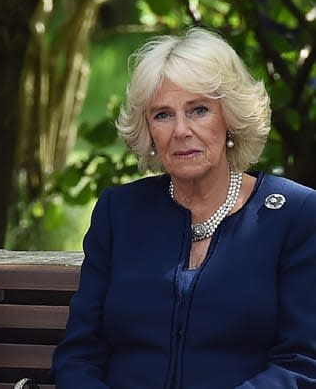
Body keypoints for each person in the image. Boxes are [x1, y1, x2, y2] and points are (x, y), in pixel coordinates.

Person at [51, 27, 316, 388]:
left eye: (199, 110)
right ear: (148, 130)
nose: (180, 130)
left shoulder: (294, 215)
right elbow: (80, 355)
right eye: (162, 115)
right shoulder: (119, 212)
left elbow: (302, 363)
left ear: (230, 119)